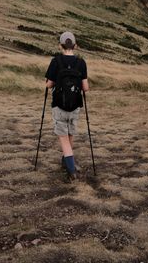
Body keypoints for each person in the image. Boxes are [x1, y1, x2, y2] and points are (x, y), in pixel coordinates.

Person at [45, 31, 89, 181]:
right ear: (75, 46)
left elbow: (49, 84)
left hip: (59, 105)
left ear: (60, 45)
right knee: (70, 134)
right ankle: (66, 161)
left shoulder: (55, 61)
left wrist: (48, 82)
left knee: (63, 137)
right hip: (75, 105)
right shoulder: (81, 63)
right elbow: (86, 88)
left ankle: (71, 170)